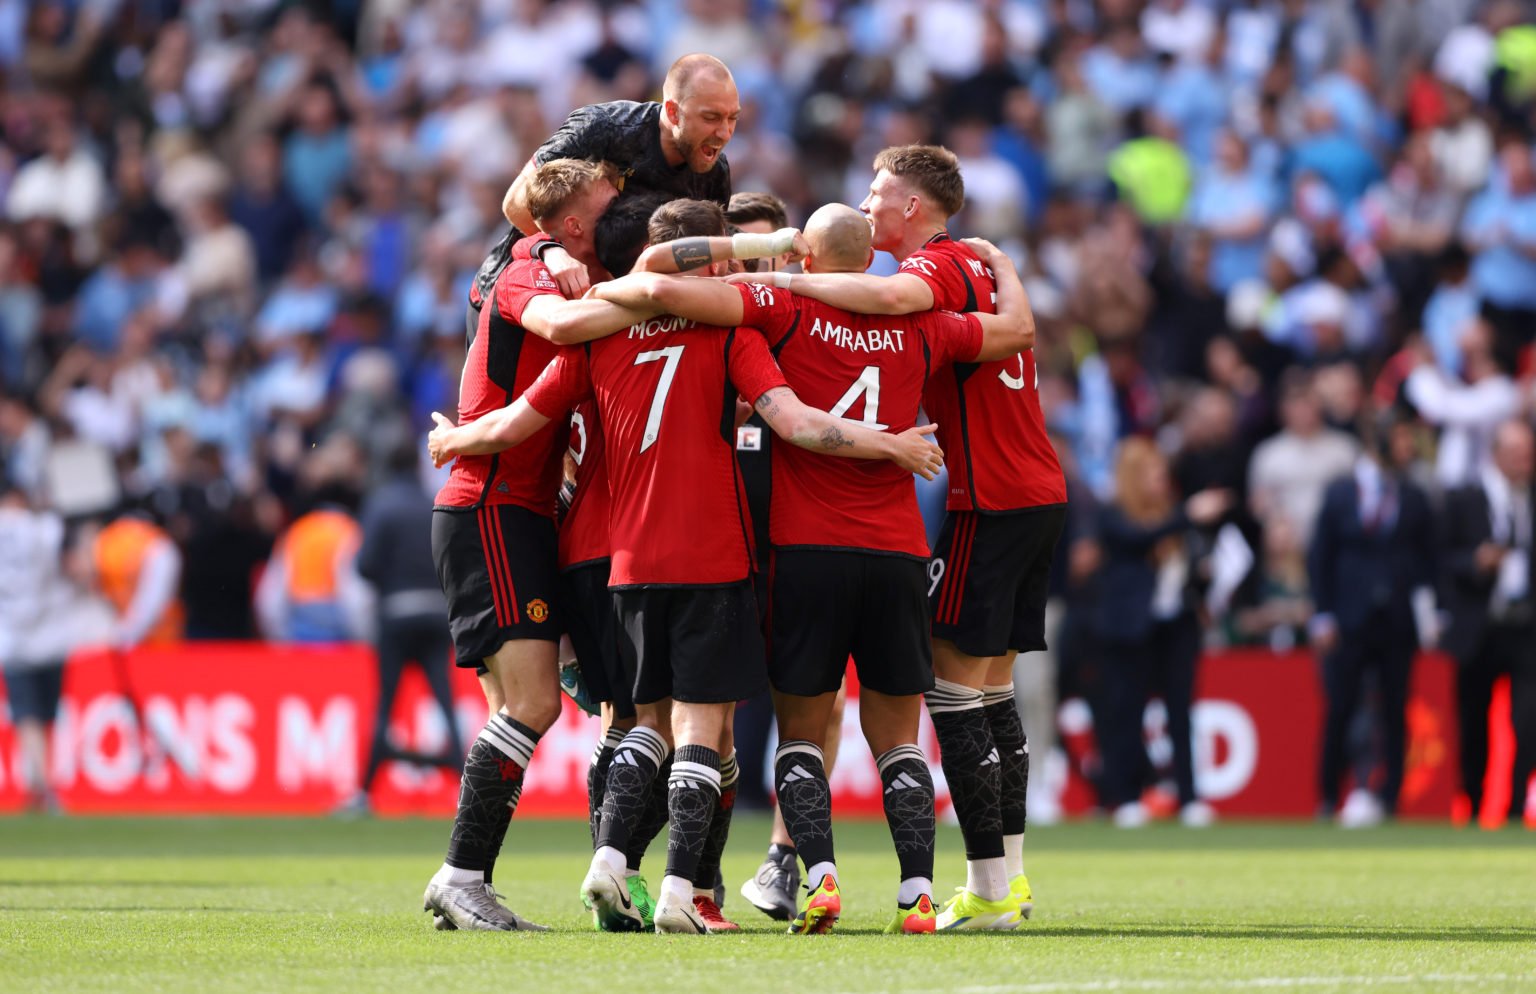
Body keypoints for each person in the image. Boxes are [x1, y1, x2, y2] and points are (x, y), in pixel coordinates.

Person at [428, 198, 944, 934]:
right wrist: (892, 443)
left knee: (635, 722)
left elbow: (525, 419)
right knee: (705, 730)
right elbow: (794, 421)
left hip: (617, 558)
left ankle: (616, 864)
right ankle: (683, 891)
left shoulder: (598, 330)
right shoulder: (729, 330)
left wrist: (460, 439)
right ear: (710, 253)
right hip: (711, 552)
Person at [591, 204, 1035, 933]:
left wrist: (607, 292)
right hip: (896, 554)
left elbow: (662, 286)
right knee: (897, 737)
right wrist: (1005, 269)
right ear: (868, 264)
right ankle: (917, 895)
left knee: (800, 732)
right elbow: (1016, 332)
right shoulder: (922, 323)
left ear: (808, 258)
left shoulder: (781, 303)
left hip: (806, 552)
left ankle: (820, 881)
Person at [732, 144, 1065, 929]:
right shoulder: (978, 274)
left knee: (949, 696)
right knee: (991, 693)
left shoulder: (935, 271)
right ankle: (1004, 880)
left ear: (913, 207)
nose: (872, 204)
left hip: (985, 499)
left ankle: (987, 889)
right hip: (1038, 490)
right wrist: (1010, 270)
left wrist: (781, 278)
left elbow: (879, 304)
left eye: (879, 193)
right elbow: (1016, 332)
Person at [420, 158, 661, 933]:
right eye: (603, 209)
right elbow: (559, 329)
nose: (614, 218)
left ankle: (469, 879)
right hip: (493, 507)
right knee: (530, 704)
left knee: (513, 711)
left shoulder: (556, 267)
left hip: (517, 511)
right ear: (568, 228)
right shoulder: (526, 270)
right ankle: (460, 876)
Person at [502, 53, 739, 298]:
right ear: (672, 112)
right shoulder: (604, 129)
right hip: (529, 293)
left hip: (622, 310)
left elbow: (712, 253)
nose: (724, 133)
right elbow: (515, 205)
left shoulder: (715, 172)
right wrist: (551, 251)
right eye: (711, 118)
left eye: (733, 118)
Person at [1093, 438, 1231, 829]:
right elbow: (1136, 540)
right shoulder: (1114, 514)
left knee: (1180, 711)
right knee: (1128, 712)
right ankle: (1128, 796)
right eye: (1153, 473)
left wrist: (1203, 573)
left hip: (1177, 624)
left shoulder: (1171, 516)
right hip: (1131, 628)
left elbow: (1186, 558)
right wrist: (1188, 513)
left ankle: (1189, 796)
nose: (1161, 480)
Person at [1308, 417, 1438, 825]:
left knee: (1396, 709)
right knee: (1342, 706)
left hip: (1396, 618)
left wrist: (1430, 610)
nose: (1407, 447)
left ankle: (1390, 797)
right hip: (1349, 616)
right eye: (1400, 438)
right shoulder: (1341, 491)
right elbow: (1320, 556)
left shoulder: (1413, 494)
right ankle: (1329, 795)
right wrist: (1323, 613)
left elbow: (1427, 557)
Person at [340, 444, 464, 816]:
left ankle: (363, 796)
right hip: (436, 615)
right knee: (445, 703)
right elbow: (453, 558)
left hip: (395, 615)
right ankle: (466, 790)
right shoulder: (434, 501)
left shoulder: (382, 505)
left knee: (386, 706)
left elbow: (364, 566)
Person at [1440, 419, 1536, 826]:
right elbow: (1441, 559)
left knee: (1529, 721)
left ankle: (1516, 808)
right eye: (1515, 453)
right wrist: (1475, 563)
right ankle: (1475, 804)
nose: (1523, 461)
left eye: (1528, 454)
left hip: (1527, 627)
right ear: (1495, 454)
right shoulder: (1464, 499)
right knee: (1473, 722)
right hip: (1479, 625)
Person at [0, 483, 106, 811]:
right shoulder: (49, 529)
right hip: (51, 635)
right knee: (44, 714)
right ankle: (43, 782)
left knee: (26, 713)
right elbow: (81, 570)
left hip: (12, 637)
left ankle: (38, 781)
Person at [254, 490, 372, 644]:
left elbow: (271, 596)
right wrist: (364, 636)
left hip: (299, 623)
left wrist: (279, 637)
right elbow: (355, 592)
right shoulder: (349, 531)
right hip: (338, 627)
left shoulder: (297, 532)